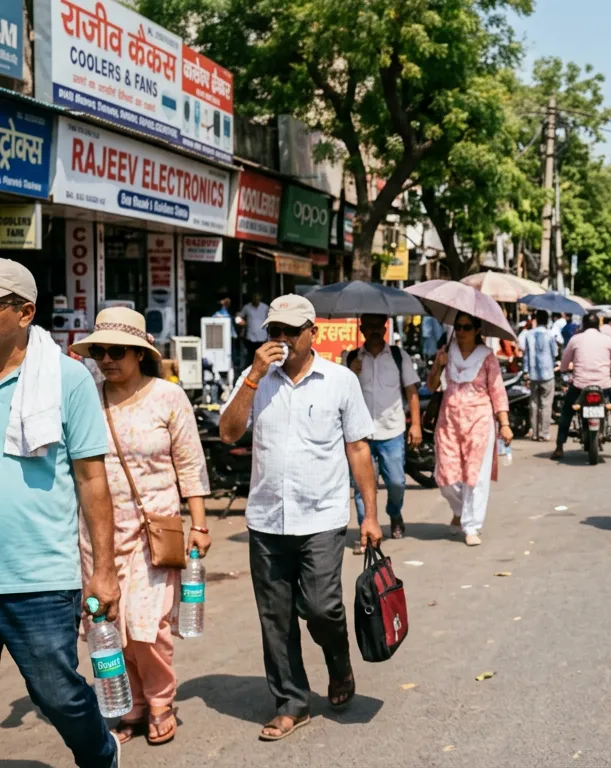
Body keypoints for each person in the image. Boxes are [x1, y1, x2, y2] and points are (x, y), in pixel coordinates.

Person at [218, 294, 381, 742]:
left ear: (314, 333)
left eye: (292, 331)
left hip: (322, 516)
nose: (283, 339)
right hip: (267, 519)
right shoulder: (256, 380)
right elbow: (228, 432)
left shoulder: (340, 380)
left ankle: (339, 663)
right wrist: (252, 377)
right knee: (275, 618)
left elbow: (359, 449)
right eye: (275, 331)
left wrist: (370, 515)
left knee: (322, 607)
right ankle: (292, 702)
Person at [0, 259, 121, 767]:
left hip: (39, 576)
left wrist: (103, 570)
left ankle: (99, 755)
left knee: (59, 695)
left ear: (25, 312)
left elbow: (92, 478)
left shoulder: (67, 379)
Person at [72, 307, 212, 748]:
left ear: (138, 353)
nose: (106, 359)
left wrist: (200, 524)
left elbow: (190, 463)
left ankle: (160, 701)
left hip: (155, 529)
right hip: (97, 534)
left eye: (116, 351)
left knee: (147, 625)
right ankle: (128, 704)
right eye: (99, 351)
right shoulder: (86, 398)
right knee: (109, 624)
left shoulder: (168, 398)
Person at [428, 314, 512, 547]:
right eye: (458, 327)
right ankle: (459, 509)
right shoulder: (446, 352)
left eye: (466, 327)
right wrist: (439, 366)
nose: (461, 331)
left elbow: (497, 391)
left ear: (476, 330)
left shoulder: (487, 357)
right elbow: (432, 385)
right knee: (444, 477)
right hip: (449, 422)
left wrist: (504, 423)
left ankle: (472, 525)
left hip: (480, 422)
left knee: (475, 476)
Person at [345, 314, 421, 550]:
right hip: (361, 434)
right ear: (362, 329)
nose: (375, 331)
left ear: (385, 328)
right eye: (370, 327)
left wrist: (416, 424)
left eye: (379, 326)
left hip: (392, 431)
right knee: (361, 486)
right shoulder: (351, 358)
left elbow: (412, 391)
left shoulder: (399, 357)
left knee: (397, 482)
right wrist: (351, 372)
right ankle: (366, 529)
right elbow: (342, 395)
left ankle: (394, 513)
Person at [552, 313, 611, 459]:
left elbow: (564, 362)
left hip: (579, 385)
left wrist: (564, 368)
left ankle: (559, 446)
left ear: (583, 325)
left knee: (567, 411)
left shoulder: (575, 339)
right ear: (598, 325)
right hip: (604, 385)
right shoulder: (607, 340)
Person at [517, 310, 558, 441]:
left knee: (534, 404)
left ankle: (534, 433)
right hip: (548, 374)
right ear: (546, 321)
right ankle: (544, 433)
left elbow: (526, 356)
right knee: (546, 404)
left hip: (533, 374)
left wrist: (526, 372)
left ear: (536, 319)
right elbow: (555, 353)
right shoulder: (550, 335)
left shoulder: (529, 335)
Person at [237, 293, 269, 367]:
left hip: (262, 337)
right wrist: (240, 322)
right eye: (254, 298)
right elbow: (238, 318)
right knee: (251, 357)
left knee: (262, 356)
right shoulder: (247, 307)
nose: (256, 300)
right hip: (250, 337)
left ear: (260, 298)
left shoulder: (265, 307)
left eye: (257, 299)